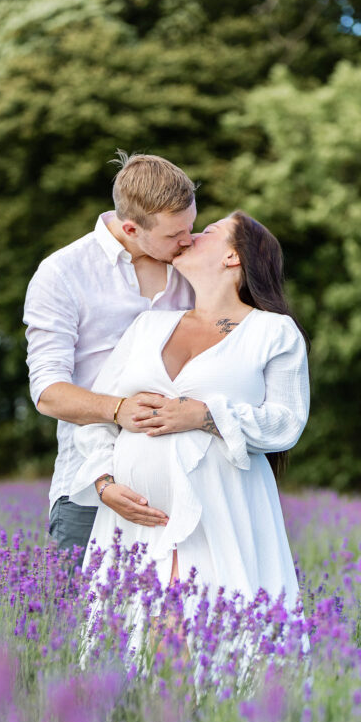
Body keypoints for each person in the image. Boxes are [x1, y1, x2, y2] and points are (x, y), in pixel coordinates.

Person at [68, 211, 311, 651]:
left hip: (220, 510)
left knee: (219, 642)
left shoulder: (273, 333)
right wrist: (103, 484)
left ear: (233, 256)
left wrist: (204, 414)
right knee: (126, 649)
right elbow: (101, 414)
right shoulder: (149, 326)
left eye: (208, 231)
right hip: (134, 521)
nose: (189, 237)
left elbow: (287, 422)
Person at [24, 152, 203, 559]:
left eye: (190, 226)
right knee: (75, 620)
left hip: (180, 486)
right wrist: (119, 408)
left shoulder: (193, 268)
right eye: (175, 234)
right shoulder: (62, 274)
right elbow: (48, 392)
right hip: (89, 488)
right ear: (130, 228)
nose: (188, 241)